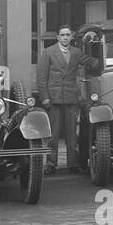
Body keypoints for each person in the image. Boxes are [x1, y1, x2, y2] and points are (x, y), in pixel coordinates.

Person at [36, 25, 98, 172]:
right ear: (57, 37)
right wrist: (44, 97)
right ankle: (51, 164)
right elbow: (41, 77)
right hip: (54, 98)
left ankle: (73, 164)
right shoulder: (48, 52)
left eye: (67, 35)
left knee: (71, 134)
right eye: (62, 35)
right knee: (54, 134)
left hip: (71, 97)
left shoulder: (76, 53)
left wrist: (107, 57)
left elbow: (92, 62)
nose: (65, 37)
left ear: (71, 36)